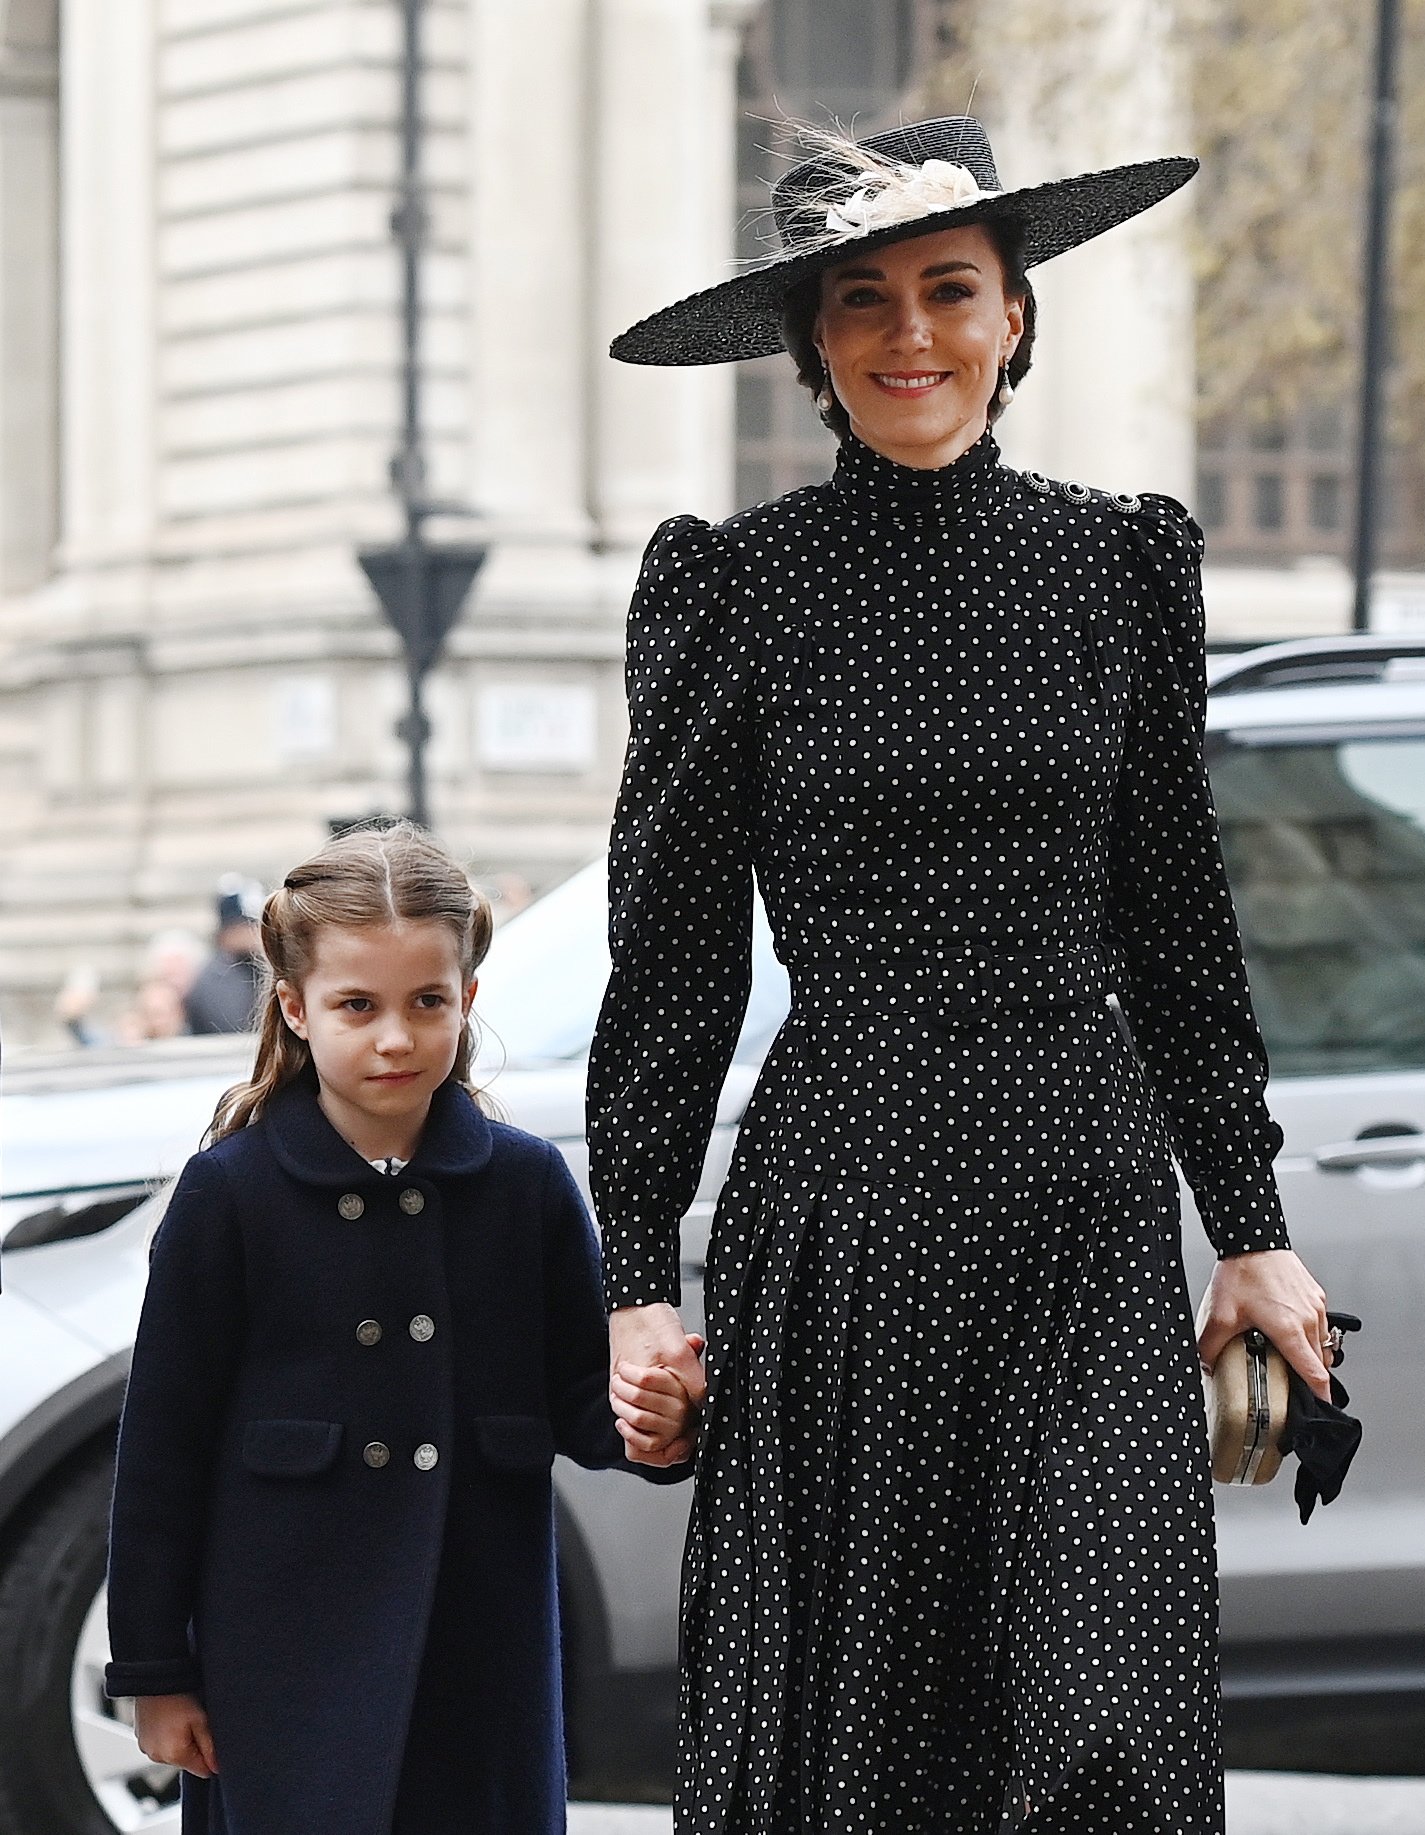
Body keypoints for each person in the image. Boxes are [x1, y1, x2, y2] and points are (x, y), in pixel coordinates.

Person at [587, 116, 1337, 1834]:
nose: (907, 335)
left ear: (1013, 319)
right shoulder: (736, 589)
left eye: (948, 290)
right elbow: (673, 966)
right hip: (846, 1213)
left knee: (1104, 1732)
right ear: (811, 349)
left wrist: (1252, 1222)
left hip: (1080, 1203)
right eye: (862, 303)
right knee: (862, 1743)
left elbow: (1177, 927)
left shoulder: (1115, 564)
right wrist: (639, 1281)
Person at [104, 822, 698, 1835]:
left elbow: (575, 1397)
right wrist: (157, 1672)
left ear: (467, 997)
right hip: (280, 1641)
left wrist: (656, 1419)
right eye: (357, 1005)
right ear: (295, 1006)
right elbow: (161, 1447)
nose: (396, 1036)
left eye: (427, 1001)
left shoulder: (525, 1185)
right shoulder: (231, 1193)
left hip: (483, 1640)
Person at [183, 875, 268, 1034]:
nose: (254, 932)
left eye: (257, 924)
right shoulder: (213, 979)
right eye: (246, 925)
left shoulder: (267, 967)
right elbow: (233, 1030)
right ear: (226, 930)